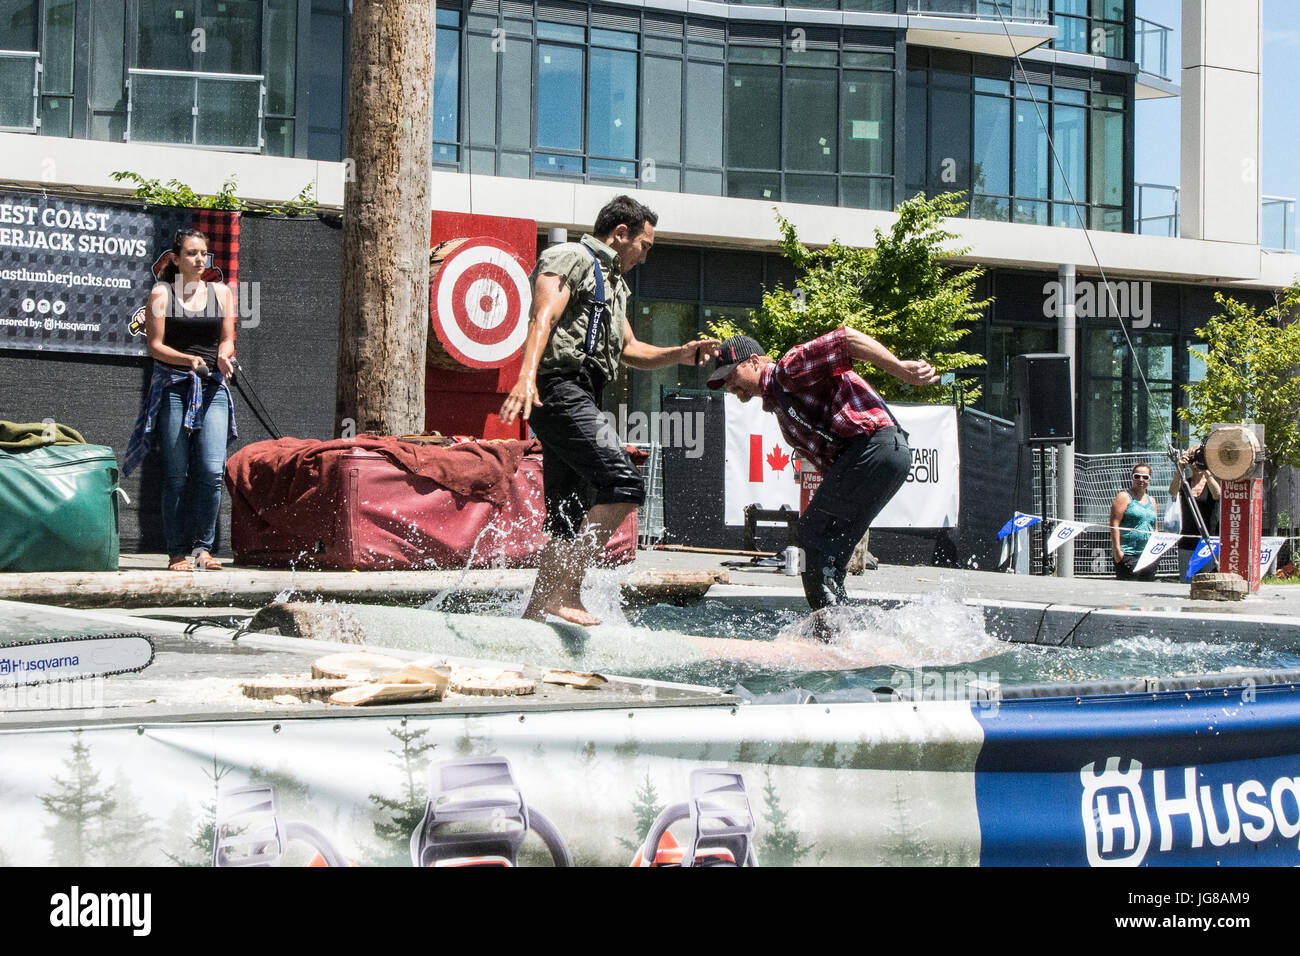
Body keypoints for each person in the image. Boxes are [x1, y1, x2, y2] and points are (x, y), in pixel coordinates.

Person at [500, 196, 717, 626]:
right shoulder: (570, 257)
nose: (646, 255)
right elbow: (542, 315)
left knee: (567, 511)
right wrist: (526, 376)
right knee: (625, 484)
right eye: (646, 244)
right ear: (621, 233)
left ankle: (534, 615)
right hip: (558, 388)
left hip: (583, 392)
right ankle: (565, 592)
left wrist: (681, 353)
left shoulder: (615, 285)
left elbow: (631, 350)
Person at [706, 328, 937, 613]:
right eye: (723, 381)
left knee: (811, 538)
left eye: (731, 375)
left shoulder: (788, 370)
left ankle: (829, 629)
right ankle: (845, 627)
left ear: (754, 362)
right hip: (886, 456)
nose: (729, 385)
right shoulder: (780, 409)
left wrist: (899, 369)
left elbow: (847, 339)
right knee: (827, 553)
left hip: (874, 447)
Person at [123, 229, 237, 572]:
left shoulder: (221, 292)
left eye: (203, 253)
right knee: (176, 474)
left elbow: (228, 338)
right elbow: (154, 345)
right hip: (174, 385)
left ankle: (204, 549)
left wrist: (222, 356)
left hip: (213, 386)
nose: (199, 259)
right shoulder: (161, 292)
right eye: (191, 253)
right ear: (176, 258)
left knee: (212, 470)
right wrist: (188, 361)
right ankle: (176, 553)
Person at [1168, 443, 1220, 579]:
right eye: (1193, 459)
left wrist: (1207, 470)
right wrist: (1180, 467)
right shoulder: (1185, 482)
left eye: (1199, 459)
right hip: (1187, 540)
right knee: (1186, 580)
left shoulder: (1212, 481)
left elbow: (1218, 494)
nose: (1196, 464)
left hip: (1208, 541)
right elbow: (1172, 491)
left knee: (1208, 580)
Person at [1109, 462, 1158, 581]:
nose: (1141, 479)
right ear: (1132, 477)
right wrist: (1117, 551)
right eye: (1137, 476)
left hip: (1147, 555)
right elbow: (1114, 524)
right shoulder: (1124, 497)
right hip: (1128, 554)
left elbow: (1154, 527)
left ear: (1149, 480)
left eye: (1145, 477)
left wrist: (1155, 551)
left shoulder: (1152, 500)